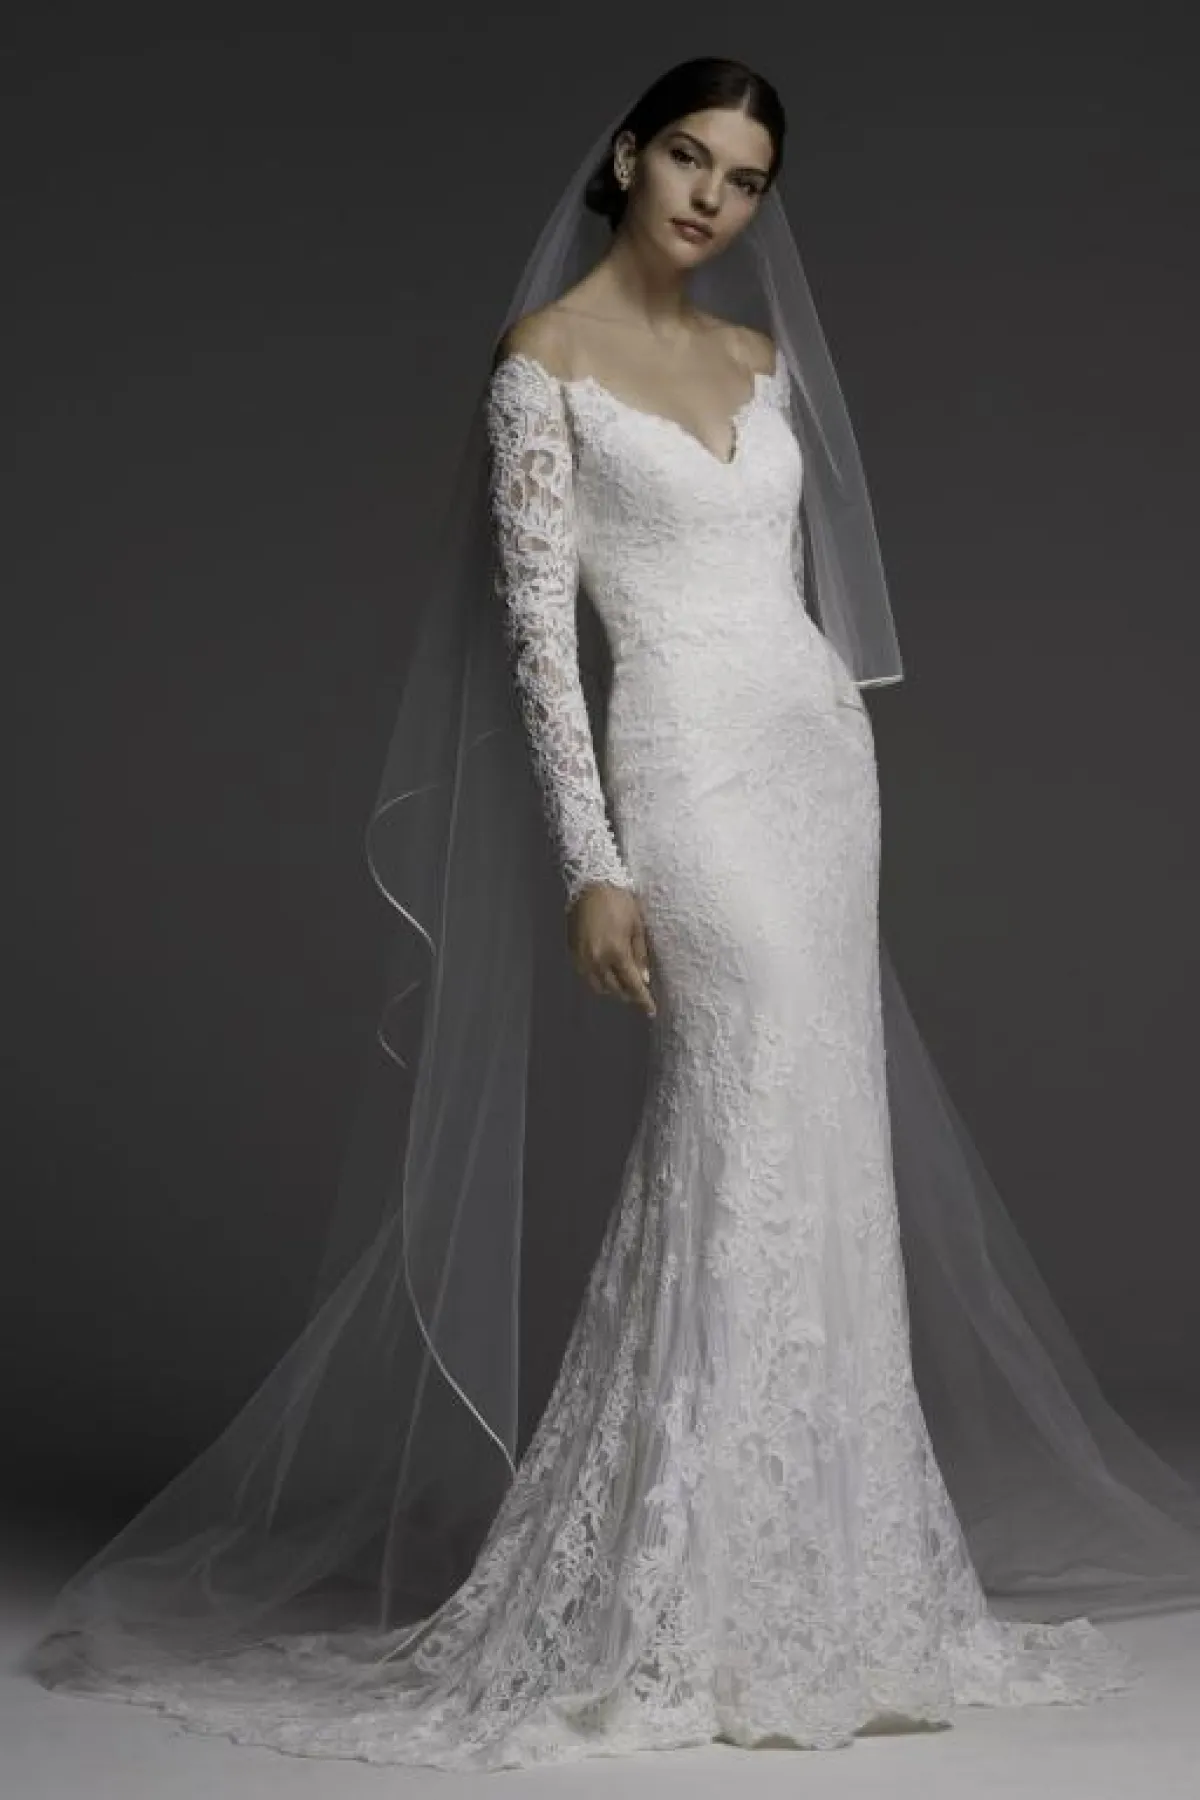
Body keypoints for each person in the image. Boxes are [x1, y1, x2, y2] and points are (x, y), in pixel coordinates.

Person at [22, 57, 1200, 1775]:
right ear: (629, 157)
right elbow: (536, 644)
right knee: (744, 1109)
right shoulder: (543, 366)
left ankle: (831, 1575)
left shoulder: (760, 359)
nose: (714, 197)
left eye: (748, 178)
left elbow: (796, 598)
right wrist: (595, 857)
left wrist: (820, 735)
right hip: (685, 767)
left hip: (818, 760)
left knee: (824, 1133)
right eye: (691, 158)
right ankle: (684, 1589)